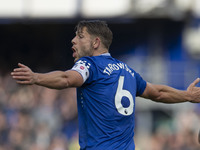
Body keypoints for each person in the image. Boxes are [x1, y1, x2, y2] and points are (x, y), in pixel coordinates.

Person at [11, 20, 200, 150]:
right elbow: (157, 93)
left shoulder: (89, 65)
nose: (73, 40)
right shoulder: (128, 71)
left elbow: (67, 79)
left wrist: (36, 78)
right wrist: (187, 96)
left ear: (95, 42)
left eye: (80, 36)